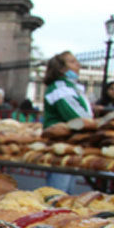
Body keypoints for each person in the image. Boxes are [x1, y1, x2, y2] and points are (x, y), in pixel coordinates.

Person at [43, 51, 92, 193]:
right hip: (61, 143)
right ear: (61, 68)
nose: (78, 65)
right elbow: (75, 116)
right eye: (72, 61)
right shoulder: (60, 87)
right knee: (58, 191)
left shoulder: (72, 87)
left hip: (71, 142)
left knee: (67, 190)